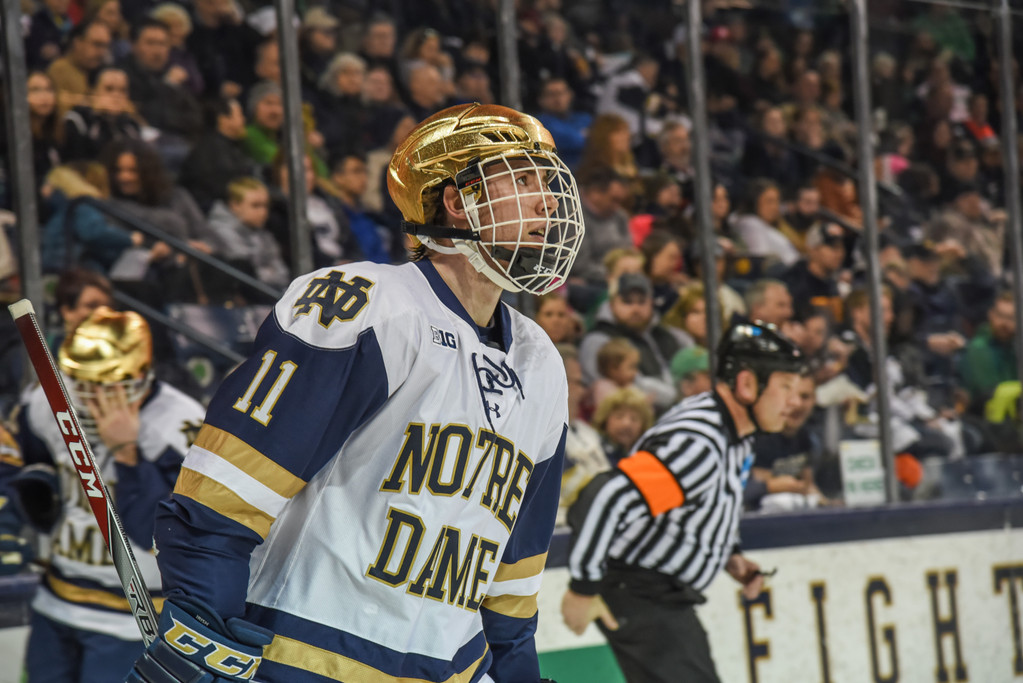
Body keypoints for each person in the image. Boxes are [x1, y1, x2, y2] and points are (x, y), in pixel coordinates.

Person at [127, 103, 584, 683]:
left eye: (546, 181)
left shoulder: (542, 361)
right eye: (522, 179)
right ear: (457, 197)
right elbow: (226, 497)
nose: (547, 200)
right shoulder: (366, 304)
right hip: (304, 660)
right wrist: (200, 635)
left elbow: (513, 575)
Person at [561, 321, 806, 683]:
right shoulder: (701, 441)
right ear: (747, 384)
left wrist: (729, 555)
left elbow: (703, 501)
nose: (794, 401)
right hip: (641, 592)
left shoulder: (737, 436)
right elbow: (607, 497)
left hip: (659, 595)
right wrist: (582, 588)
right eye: (786, 387)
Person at [9, 307, 205, 682]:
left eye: (108, 383)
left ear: (141, 373)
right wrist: (33, 489)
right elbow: (25, 460)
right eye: (83, 381)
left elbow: (167, 533)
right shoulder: (45, 402)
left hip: (131, 616)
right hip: (57, 598)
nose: (93, 395)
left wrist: (128, 454)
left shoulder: (181, 423)